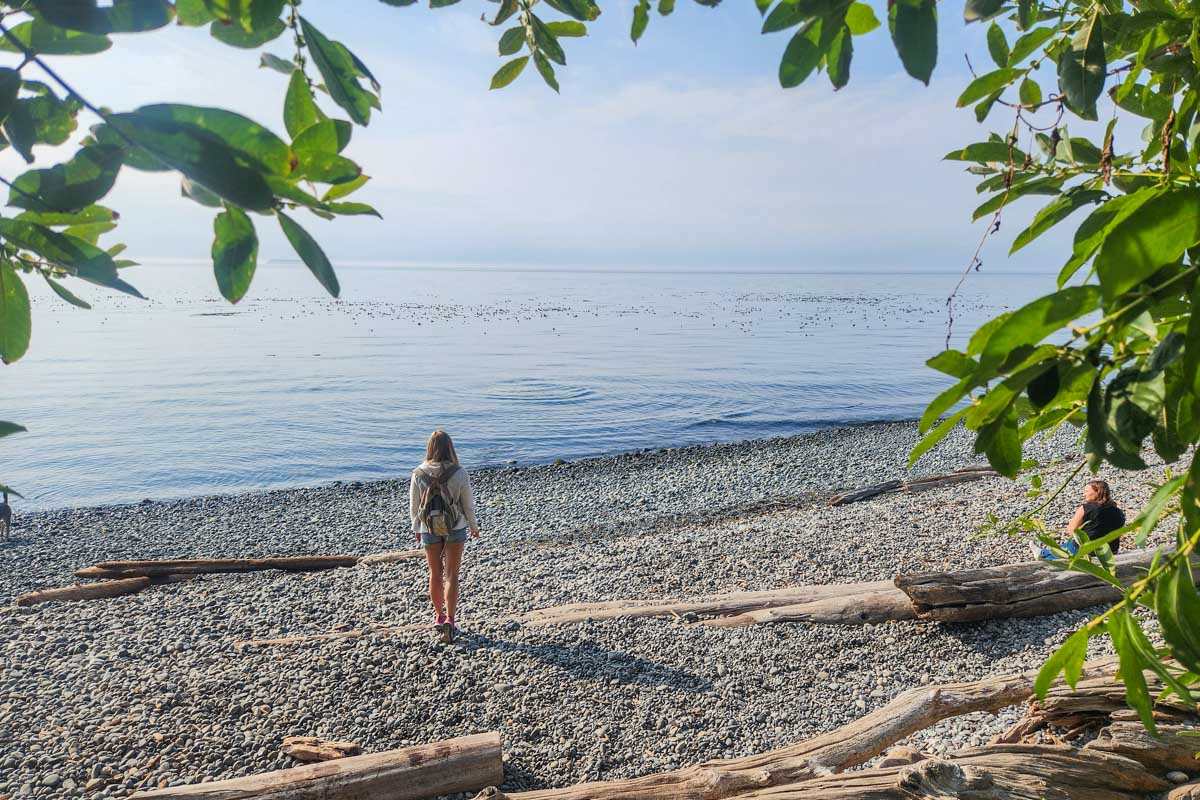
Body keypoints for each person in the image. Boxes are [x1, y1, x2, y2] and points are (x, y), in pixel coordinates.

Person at [410, 430, 480, 642]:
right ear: (450, 447)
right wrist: (473, 526)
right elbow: (467, 505)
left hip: (429, 528)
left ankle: (438, 617)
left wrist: (416, 528)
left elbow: (414, 507)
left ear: (430, 448)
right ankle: (450, 618)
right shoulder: (459, 472)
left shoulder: (418, 473)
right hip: (455, 527)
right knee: (451, 574)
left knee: (434, 573)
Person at [1030, 479, 1126, 560]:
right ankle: (1043, 552)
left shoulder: (1085, 508)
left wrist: (1072, 523)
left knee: (1069, 546)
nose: (1084, 494)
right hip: (1111, 551)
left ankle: (1043, 555)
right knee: (1065, 545)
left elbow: (1071, 531)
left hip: (1087, 551)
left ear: (1098, 492)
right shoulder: (1118, 512)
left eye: (1087, 491)